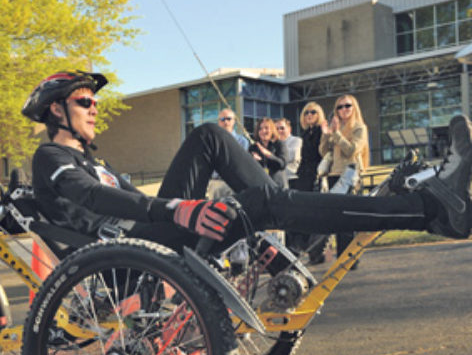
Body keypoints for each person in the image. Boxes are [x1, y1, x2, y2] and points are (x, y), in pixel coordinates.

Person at [24, 71, 472, 258]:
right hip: (129, 252)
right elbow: (89, 196)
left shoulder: (89, 158)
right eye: (84, 100)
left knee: (209, 136)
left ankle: (297, 222)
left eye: (95, 100)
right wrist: (175, 208)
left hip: (149, 237)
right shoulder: (50, 157)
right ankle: (429, 209)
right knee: (259, 200)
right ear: (56, 112)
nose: (95, 107)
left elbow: (116, 192)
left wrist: (173, 207)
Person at [318, 94, 370, 262]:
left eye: (347, 105)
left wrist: (337, 133)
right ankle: (341, 256)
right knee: (338, 217)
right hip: (334, 174)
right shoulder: (335, 127)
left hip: (350, 174)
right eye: (339, 107)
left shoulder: (359, 127)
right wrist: (326, 135)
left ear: (354, 107)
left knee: (349, 217)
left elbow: (352, 150)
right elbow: (324, 152)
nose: (343, 110)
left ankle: (350, 258)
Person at [288, 102, 327, 262]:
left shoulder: (321, 132)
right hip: (303, 176)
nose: (309, 115)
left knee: (315, 215)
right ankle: (300, 248)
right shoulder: (305, 134)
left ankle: (315, 251)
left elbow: (323, 154)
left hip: (317, 174)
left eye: (313, 112)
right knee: (301, 213)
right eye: (306, 113)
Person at [249, 117, 287, 188]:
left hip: (277, 186)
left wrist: (268, 154)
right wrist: (256, 160)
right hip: (260, 186)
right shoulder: (253, 147)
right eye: (260, 129)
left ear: (272, 130)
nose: (263, 131)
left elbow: (282, 164)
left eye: (266, 128)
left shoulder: (279, 144)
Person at [276, 118, 302, 188]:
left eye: (282, 128)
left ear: (289, 129)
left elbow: (290, 157)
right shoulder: (274, 143)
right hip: (278, 180)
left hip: (292, 179)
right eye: (277, 129)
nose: (279, 131)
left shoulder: (297, 141)